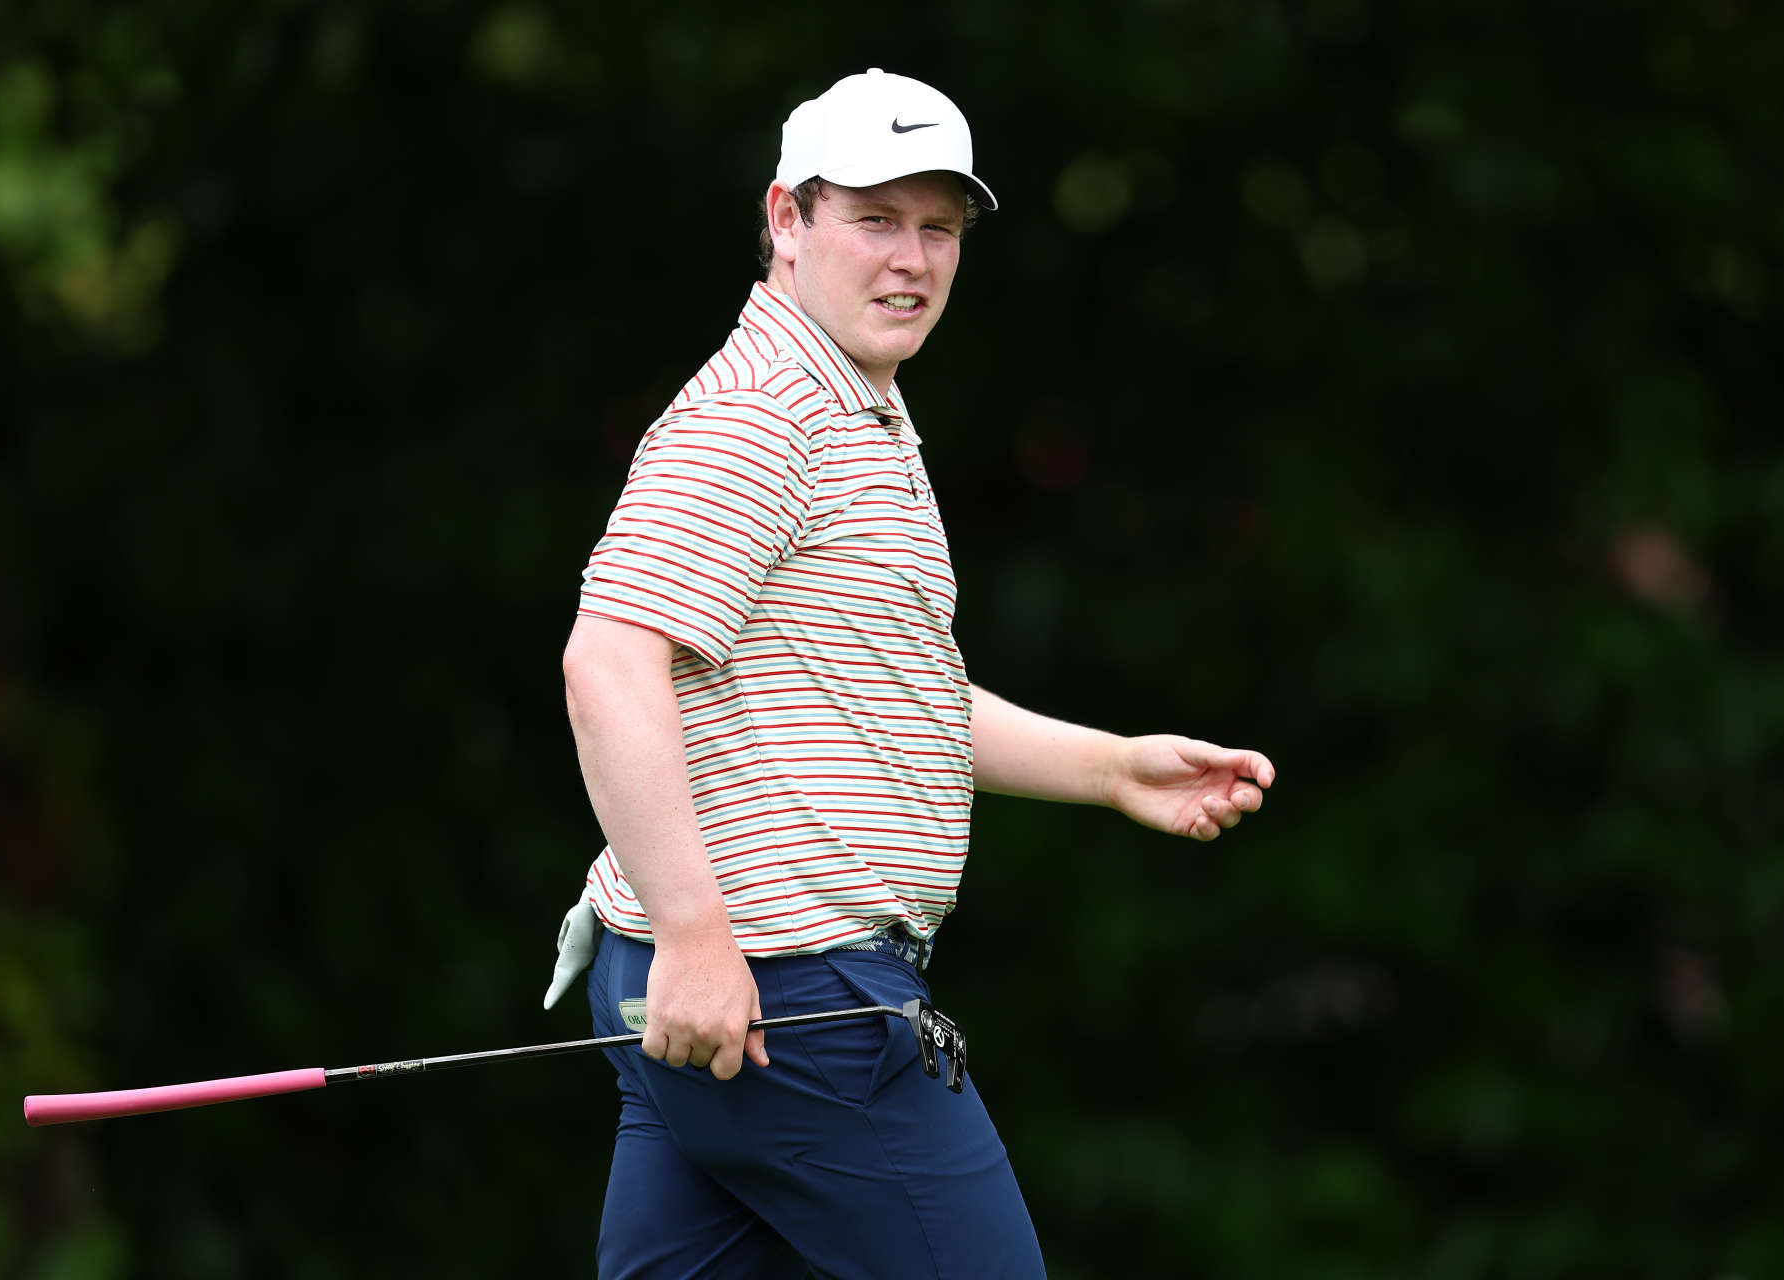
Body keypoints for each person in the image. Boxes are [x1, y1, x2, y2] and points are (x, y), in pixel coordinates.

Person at [543, 68, 1275, 1278]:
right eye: (875, 219)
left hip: (724, 985)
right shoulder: (765, 414)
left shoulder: (856, 409)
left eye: (940, 228)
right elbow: (608, 661)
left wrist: (1114, 769)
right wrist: (695, 933)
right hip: (781, 996)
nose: (913, 260)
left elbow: (889, 699)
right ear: (787, 220)